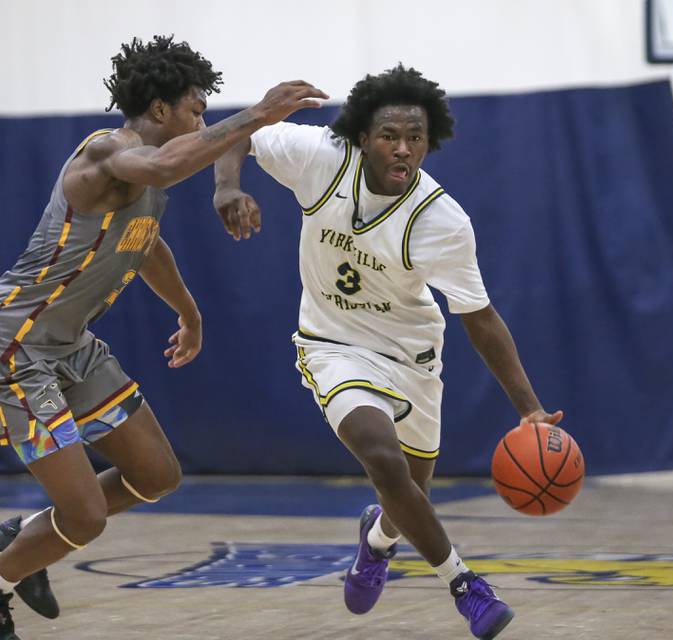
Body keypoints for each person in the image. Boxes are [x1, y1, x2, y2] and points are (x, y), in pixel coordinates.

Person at [213, 64, 563, 639]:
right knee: (383, 460)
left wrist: (528, 408)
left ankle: (376, 539)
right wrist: (227, 186)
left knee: (407, 498)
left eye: (415, 139)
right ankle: (466, 585)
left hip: (413, 356)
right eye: (389, 136)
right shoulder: (320, 157)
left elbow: (479, 316)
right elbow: (239, 135)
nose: (403, 149)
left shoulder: (443, 221)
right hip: (332, 345)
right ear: (361, 137)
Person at [0, 35, 326, 639]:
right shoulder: (109, 153)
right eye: (196, 109)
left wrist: (190, 313)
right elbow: (165, 165)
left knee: (156, 476)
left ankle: (20, 543)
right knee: (86, 515)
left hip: (72, 345)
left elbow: (145, 243)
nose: (201, 119)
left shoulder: (146, 185)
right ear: (158, 110)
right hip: (17, 348)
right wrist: (258, 113)